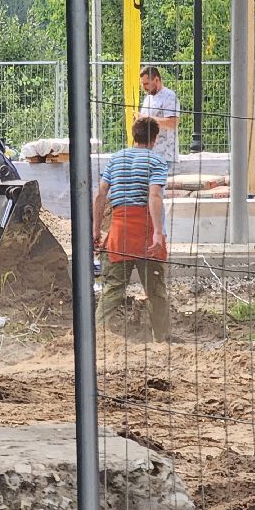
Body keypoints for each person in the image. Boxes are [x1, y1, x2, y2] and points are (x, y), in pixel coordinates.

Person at [93, 114, 170, 341]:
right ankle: (162, 339)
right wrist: (157, 232)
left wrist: (96, 229)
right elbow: (154, 195)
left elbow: (100, 195)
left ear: (133, 136)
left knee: (113, 289)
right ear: (154, 139)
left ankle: (98, 336)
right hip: (146, 232)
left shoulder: (116, 160)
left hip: (119, 232)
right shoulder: (156, 162)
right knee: (156, 291)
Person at [138, 64, 180, 166]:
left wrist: (147, 119)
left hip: (165, 156)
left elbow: (173, 123)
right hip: (148, 155)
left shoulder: (169, 96)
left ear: (156, 80)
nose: (144, 87)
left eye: (147, 84)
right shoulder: (148, 98)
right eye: (142, 84)